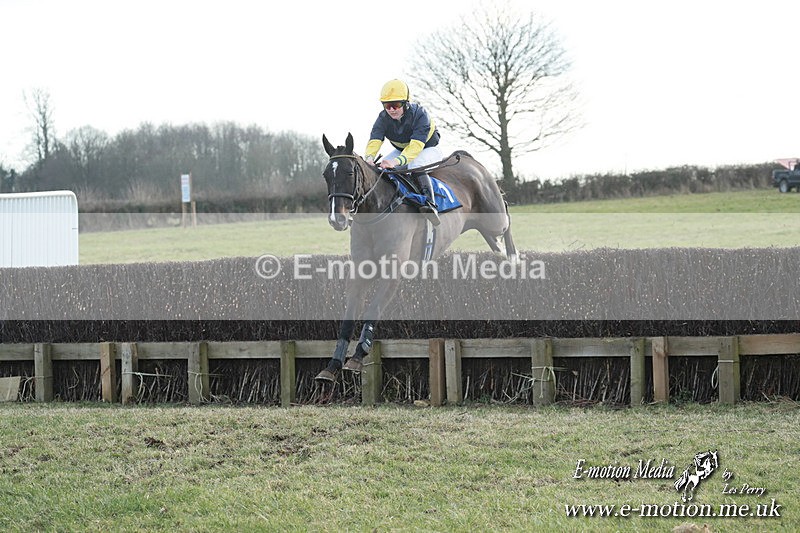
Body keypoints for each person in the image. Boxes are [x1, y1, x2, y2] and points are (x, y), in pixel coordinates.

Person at [365, 79, 442, 225]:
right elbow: (375, 140)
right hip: (403, 150)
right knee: (380, 169)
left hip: (428, 149)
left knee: (415, 165)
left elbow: (415, 148)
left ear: (406, 103)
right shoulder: (382, 118)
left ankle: (430, 205)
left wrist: (395, 162)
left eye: (396, 105)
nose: (391, 110)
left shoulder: (420, 115)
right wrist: (369, 159)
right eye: (387, 105)